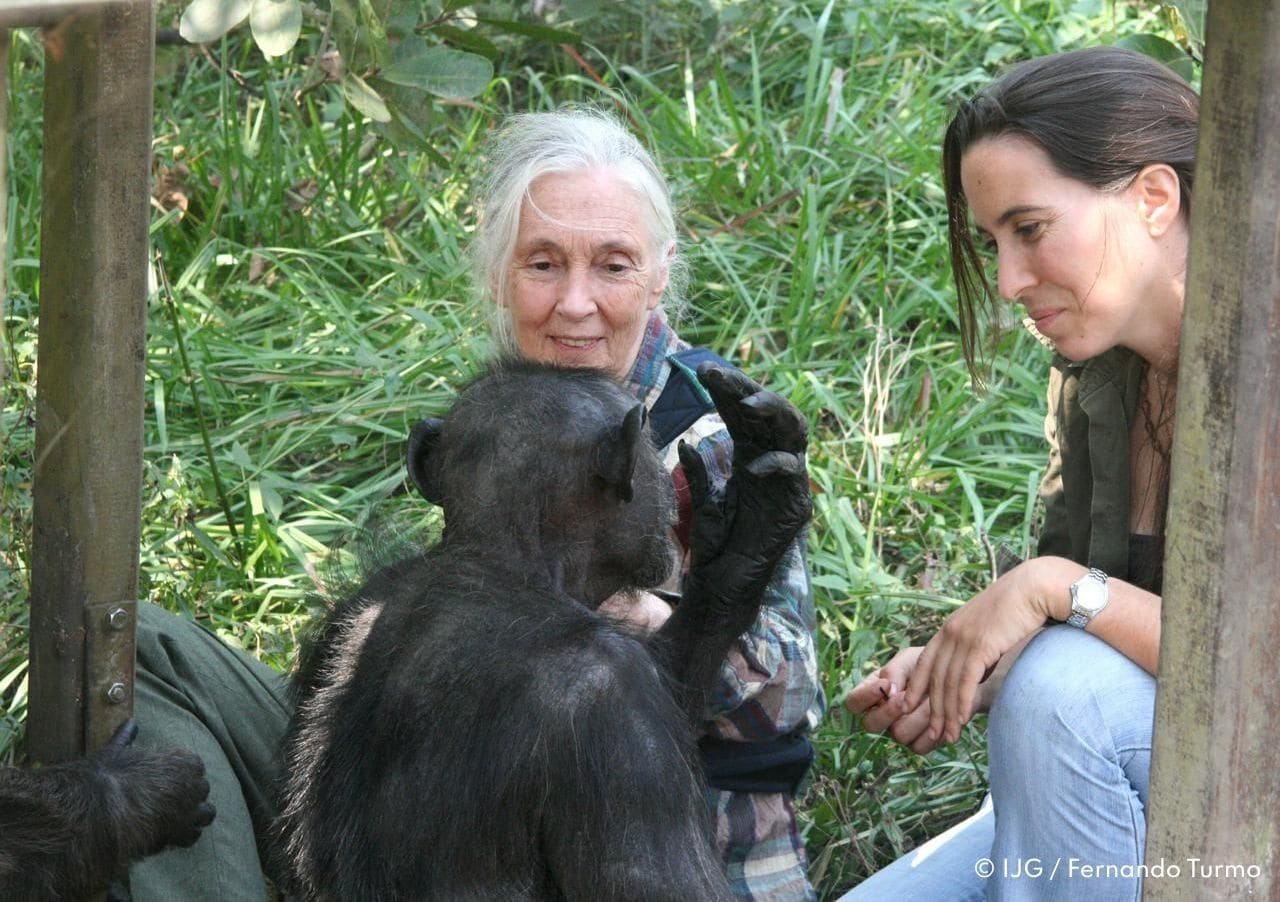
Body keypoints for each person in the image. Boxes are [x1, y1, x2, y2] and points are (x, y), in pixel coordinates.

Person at [129, 108, 824, 901]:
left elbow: (785, 699)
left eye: (613, 265)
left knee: (580, 692)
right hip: (466, 788)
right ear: (498, 273)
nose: (574, 304)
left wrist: (627, 619)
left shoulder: (705, 435)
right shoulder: (509, 406)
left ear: (660, 273)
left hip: (669, 819)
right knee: (146, 646)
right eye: (542, 264)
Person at [841, 46, 1197, 901]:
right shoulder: (1095, 377)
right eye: (991, 241)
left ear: (1153, 197)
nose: (1005, 282)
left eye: (1030, 229)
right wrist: (964, 666)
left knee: (1061, 695)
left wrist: (1052, 589)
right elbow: (1100, 641)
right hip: (1145, 762)